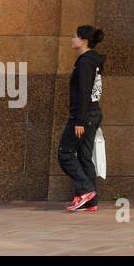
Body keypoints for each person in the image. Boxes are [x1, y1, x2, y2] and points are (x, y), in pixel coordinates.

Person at [58, 25, 105, 212]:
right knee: (85, 156)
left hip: (84, 115)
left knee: (65, 153)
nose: (72, 39)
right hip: (93, 113)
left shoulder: (85, 62)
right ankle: (90, 201)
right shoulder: (93, 61)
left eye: (75, 36)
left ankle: (86, 191)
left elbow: (85, 91)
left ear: (84, 40)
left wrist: (79, 120)